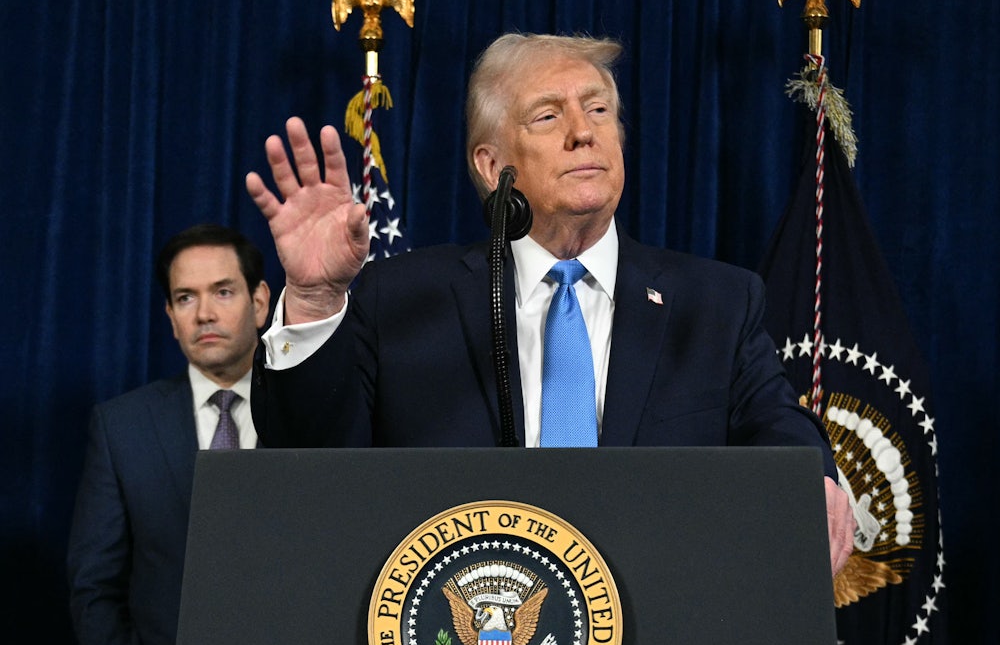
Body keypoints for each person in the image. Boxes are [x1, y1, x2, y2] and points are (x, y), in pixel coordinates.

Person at [245, 33, 854, 573]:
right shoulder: (400, 299)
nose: (584, 131)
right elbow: (310, 465)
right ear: (492, 166)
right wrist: (315, 297)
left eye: (599, 109)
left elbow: (777, 426)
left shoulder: (716, 303)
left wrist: (811, 476)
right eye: (547, 115)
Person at [66, 224, 271, 645]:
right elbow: (95, 587)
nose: (204, 314)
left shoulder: (311, 415)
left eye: (223, 292)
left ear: (259, 302)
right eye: (185, 298)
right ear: (172, 318)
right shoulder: (122, 426)